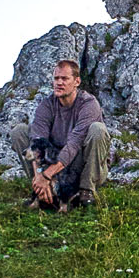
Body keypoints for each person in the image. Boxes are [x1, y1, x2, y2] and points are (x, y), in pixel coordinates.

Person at [23, 57, 109, 212]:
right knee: (20, 132)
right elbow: (37, 141)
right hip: (56, 166)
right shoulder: (47, 104)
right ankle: (42, 190)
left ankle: (86, 190)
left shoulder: (89, 104)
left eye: (64, 78)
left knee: (98, 130)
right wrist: (40, 176)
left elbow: (74, 143)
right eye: (56, 78)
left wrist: (47, 174)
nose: (59, 83)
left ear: (76, 81)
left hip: (80, 164)